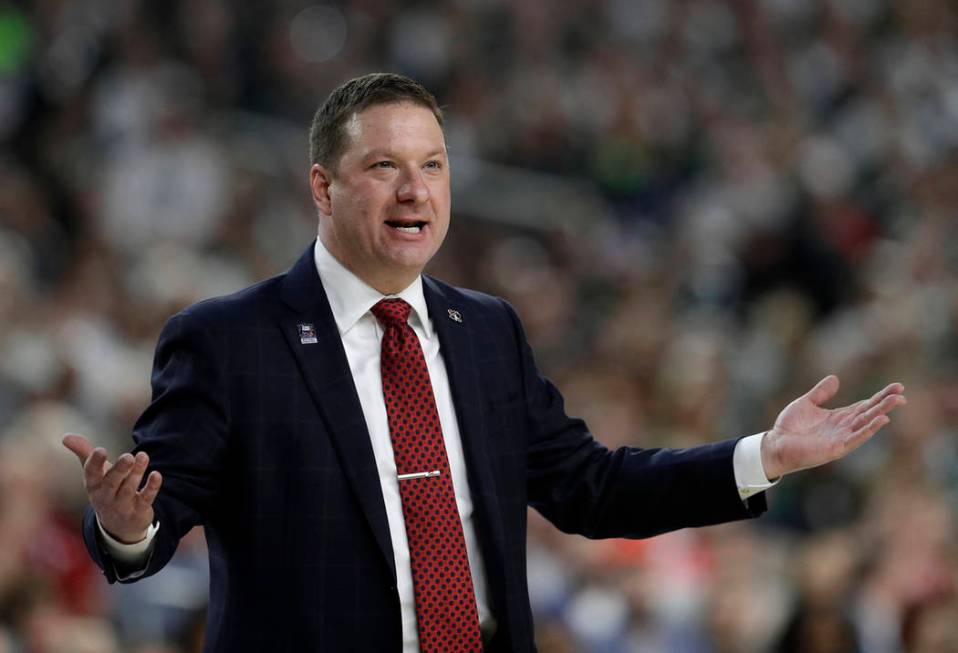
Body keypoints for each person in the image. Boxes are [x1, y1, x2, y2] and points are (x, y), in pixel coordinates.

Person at [63, 73, 906, 652]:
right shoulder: (228, 336)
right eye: (384, 166)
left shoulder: (485, 329)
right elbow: (149, 524)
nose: (414, 190)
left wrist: (766, 454)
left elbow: (591, 486)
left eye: (432, 165)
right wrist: (126, 522)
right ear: (322, 187)